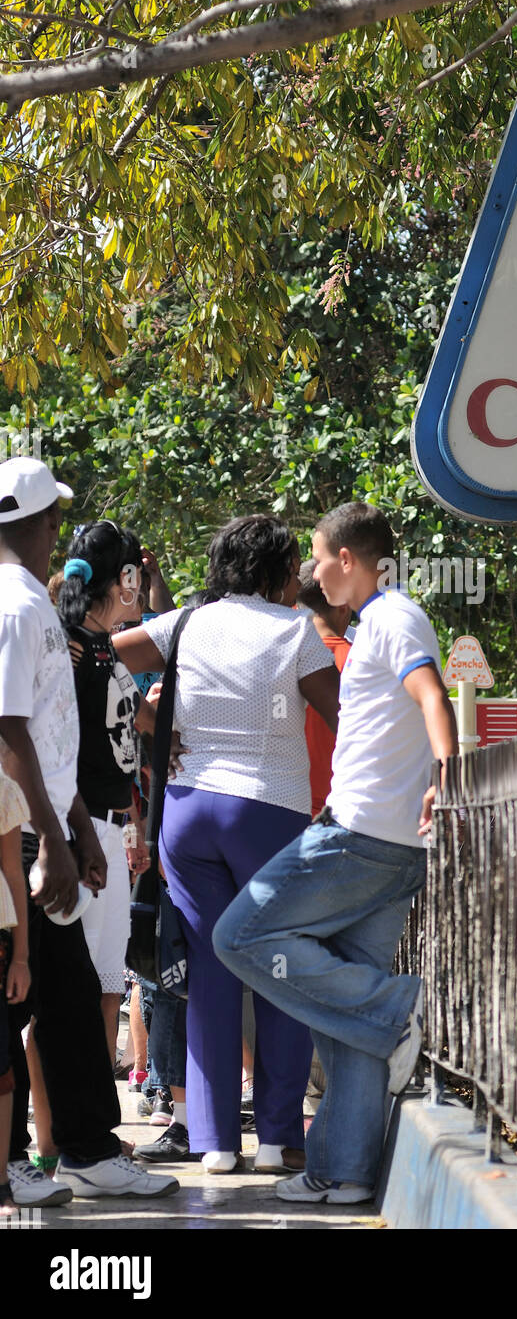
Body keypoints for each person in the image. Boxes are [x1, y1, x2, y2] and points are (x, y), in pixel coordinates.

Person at [213, 502, 458, 1206]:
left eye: (317, 558)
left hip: (363, 839)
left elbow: (430, 695)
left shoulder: (392, 618)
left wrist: (448, 774)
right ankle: (344, 1171)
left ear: (346, 559)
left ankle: (401, 1006)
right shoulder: (375, 622)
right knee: (344, 1006)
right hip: (373, 833)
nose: (311, 572)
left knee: (239, 935)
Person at [113, 515, 340, 1174]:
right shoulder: (293, 628)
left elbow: (106, 658)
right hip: (265, 813)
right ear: (273, 571)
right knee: (276, 966)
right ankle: (274, 1137)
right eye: (293, 567)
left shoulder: (183, 623)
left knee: (209, 972)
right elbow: (339, 714)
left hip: (186, 813)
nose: (299, 579)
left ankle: (212, 1143)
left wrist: (154, 722)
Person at [0, 456, 179, 1202]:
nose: (55, 532)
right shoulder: (14, 608)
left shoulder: (31, 605)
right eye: (52, 519)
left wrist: (78, 826)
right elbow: (9, 729)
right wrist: (53, 835)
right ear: (40, 525)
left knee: (66, 997)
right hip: (23, 830)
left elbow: (54, 731)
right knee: (30, 997)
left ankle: (80, 1147)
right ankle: (35, 1156)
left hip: (51, 825)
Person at [56, 521, 155, 1067]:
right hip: (78, 831)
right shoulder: (69, 647)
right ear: (123, 577)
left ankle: (91, 1122)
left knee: (109, 980)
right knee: (69, 988)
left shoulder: (104, 648)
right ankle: (55, 1135)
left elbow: (144, 724)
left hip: (111, 832)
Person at [296, 560, 353, 818]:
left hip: (286, 805)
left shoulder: (279, 656)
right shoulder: (363, 660)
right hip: (347, 809)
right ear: (343, 605)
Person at [0, 763, 30, 1218]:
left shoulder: (2, 789)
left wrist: (22, 957)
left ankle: (2, 1182)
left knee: (1, 1067)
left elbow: (13, 872)